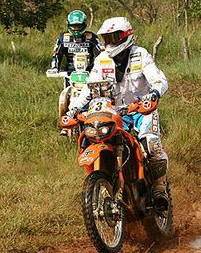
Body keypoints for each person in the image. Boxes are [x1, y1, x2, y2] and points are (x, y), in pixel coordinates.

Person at [67, 17, 170, 211]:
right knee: (93, 138)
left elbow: (159, 80)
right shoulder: (101, 60)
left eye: (114, 37)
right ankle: (105, 182)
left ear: (126, 36)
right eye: (107, 38)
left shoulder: (141, 55)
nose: (110, 43)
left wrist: (155, 94)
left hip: (141, 110)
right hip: (113, 113)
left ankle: (159, 189)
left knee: (151, 143)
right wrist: (73, 109)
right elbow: (88, 90)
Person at [48, 10, 101, 82]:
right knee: (66, 92)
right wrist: (55, 68)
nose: (76, 29)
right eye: (73, 26)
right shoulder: (63, 37)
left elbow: (101, 54)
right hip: (70, 72)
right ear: (68, 25)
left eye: (79, 26)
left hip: (90, 72)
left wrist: (103, 68)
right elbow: (57, 54)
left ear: (84, 25)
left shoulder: (91, 37)